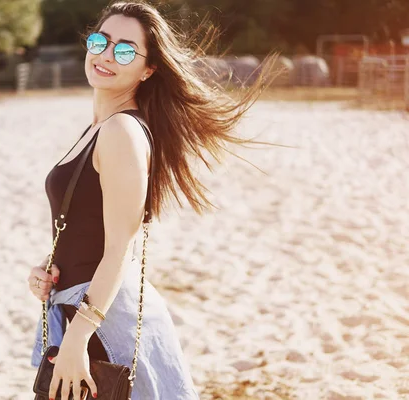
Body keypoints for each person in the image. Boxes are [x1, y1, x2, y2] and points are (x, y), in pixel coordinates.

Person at [27, 1, 272, 399]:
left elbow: (120, 249)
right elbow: (87, 225)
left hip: (101, 321)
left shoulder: (122, 131)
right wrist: (49, 267)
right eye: (100, 40)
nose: (107, 54)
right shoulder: (101, 127)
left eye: (125, 50)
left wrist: (78, 336)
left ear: (148, 69)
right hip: (79, 308)